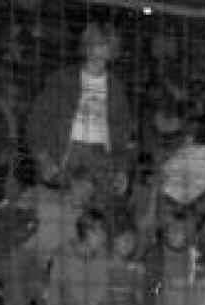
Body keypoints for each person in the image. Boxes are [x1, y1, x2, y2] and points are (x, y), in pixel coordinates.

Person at [25, 22, 131, 200]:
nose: (102, 48)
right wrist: (43, 157)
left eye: (107, 44)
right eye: (97, 43)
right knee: (62, 204)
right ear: (87, 46)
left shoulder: (116, 87)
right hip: (66, 151)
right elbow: (36, 121)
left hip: (100, 155)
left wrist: (121, 169)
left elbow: (122, 132)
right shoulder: (63, 79)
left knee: (97, 208)